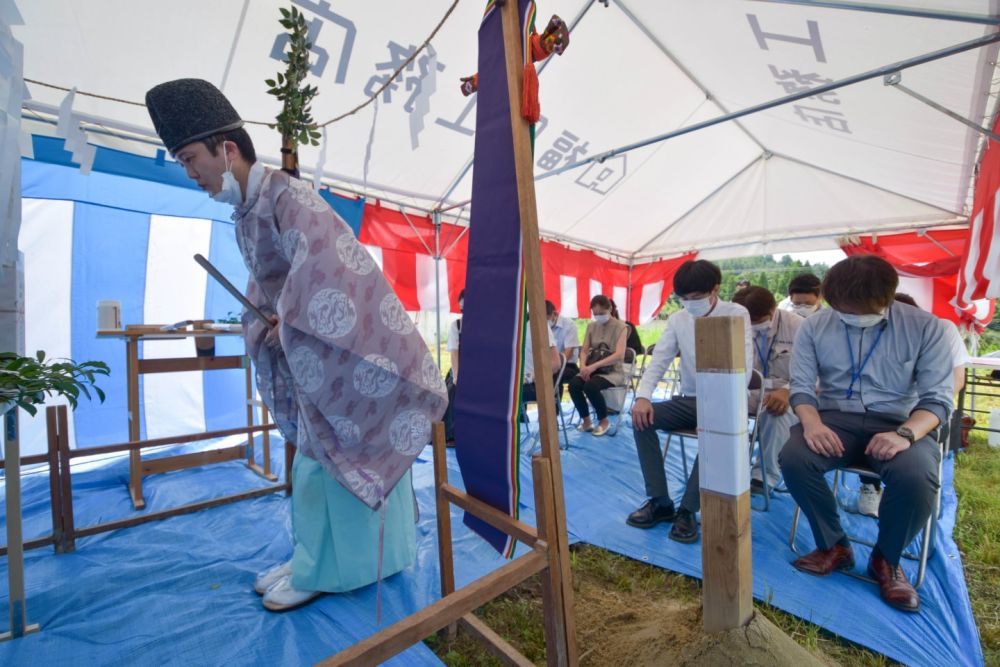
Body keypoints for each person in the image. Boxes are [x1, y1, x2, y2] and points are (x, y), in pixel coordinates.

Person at [145, 79, 447, 611]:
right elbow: (272, 286)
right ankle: (315, 556)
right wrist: (268, 321)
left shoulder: (289, 197)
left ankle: (330, 569)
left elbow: (330, 275)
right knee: (321, 457)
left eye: (192, 158)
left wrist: (284, 321)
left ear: (227, 148)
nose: (191, 173)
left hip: (351, 353)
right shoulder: (249, 209)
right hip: (313, 354)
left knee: (326, 461)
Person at [779, 255, 953, 613]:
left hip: (899, 421)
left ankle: (886, 559)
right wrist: (811, 424)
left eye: (860, 310)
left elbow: (937, 400)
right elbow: (801, 388)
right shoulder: (814, 327)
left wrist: (905, 435)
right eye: (842, 309)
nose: (851, 316)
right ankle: (834, 545)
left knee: (918, 476)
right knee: (794, 457)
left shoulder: (927, 328)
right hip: (833, 419)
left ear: (887, 299)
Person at [628, 260, 752, 543]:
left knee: (716, 432)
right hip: (691, 399)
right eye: (684, 299)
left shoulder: (735, 314)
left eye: (695, 298)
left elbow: (742, 368)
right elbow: (660, 359)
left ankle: (687, 510)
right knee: (640, 420)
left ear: (715, 290)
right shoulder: (678, 319)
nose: (690, 304)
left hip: (725, 402)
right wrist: (643, 396)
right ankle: (660, 501)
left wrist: (715, 414)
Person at [854, 292, 970, 517]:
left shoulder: (942, 329)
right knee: (866, 425)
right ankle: (870, 485)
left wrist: (920, 415)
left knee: (911, 462)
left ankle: (904, 497)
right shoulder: (875, 333)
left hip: (926, 413)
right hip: (886, 411)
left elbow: (956, 381)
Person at [732, 286, 803, 495]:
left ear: (772, 310)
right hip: (751, 390)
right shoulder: (735, 325)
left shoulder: (799, 327)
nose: (752, 326)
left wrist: (789, 391)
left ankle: (763, 477)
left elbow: (818, 372)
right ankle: (726, 469)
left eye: (756, 321)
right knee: (724, 407)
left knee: (776, 412)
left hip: (789, 392)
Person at [568, 295, 628, 436]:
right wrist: (583, 366)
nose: (598, 317)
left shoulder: (621, 327)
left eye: (601, 314)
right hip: (592, 368)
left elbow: (619, 355)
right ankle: (586, 421)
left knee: (590, 386)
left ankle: (603, 420)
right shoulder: (591, 326)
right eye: (595, 314)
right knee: (574, 385)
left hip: (612, 371)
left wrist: (593, 367)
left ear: (610, 309)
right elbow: (583, 350)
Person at [442, 290, 466, 444]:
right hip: (461, 371)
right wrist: (458, 376)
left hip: (480, 373)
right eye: (463, 309)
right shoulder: (456, 326)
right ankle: (450, 435)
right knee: (451, 391)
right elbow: (454, 353)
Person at [546, 300, 581, 390]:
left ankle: (554, 403)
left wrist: (553, 366)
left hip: (567, 365)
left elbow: (568, 354)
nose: (545, 323)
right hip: (547, 365)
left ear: (554, 313)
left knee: (555, 374)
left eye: (547, 319)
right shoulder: (541, 327)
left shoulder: (569, 325)